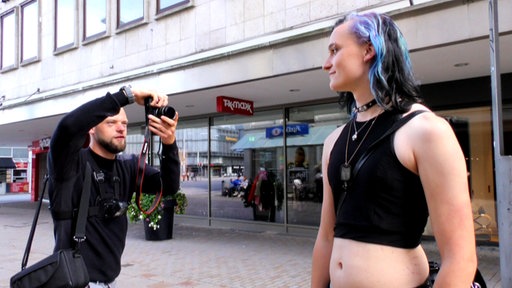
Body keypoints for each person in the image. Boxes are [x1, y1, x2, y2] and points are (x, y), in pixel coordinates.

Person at [311, 12, 477, 287]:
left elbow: (461, 257)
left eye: (335, 50)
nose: (325, 64)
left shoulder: (425, 130)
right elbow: (326, 236)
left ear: (368, 49)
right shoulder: (334, 140)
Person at [47, 86, 180, 287]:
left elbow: (168, 187)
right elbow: (67, 128)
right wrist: (128, 96)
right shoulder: (69, 165)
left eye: (124, 123)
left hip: (111, 282)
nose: (120, 128)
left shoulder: (128, 166)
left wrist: (169, 143)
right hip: (73, 282)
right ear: (91, 127)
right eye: (111, 122)